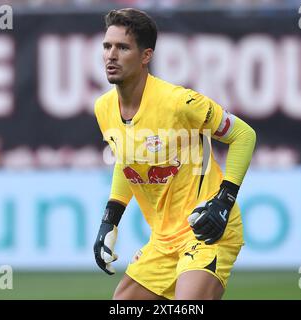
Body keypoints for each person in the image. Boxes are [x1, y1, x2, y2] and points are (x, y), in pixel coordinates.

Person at [93, 8, 256, 300]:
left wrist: (224, 201)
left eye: (123, 47)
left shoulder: (179, 103)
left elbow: (244, 135)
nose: (111, 55)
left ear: (146, 56)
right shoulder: (103, 108)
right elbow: (125, 159)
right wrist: (110, 220)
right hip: (163, 240)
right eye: (107, 46)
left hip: (206, 228)